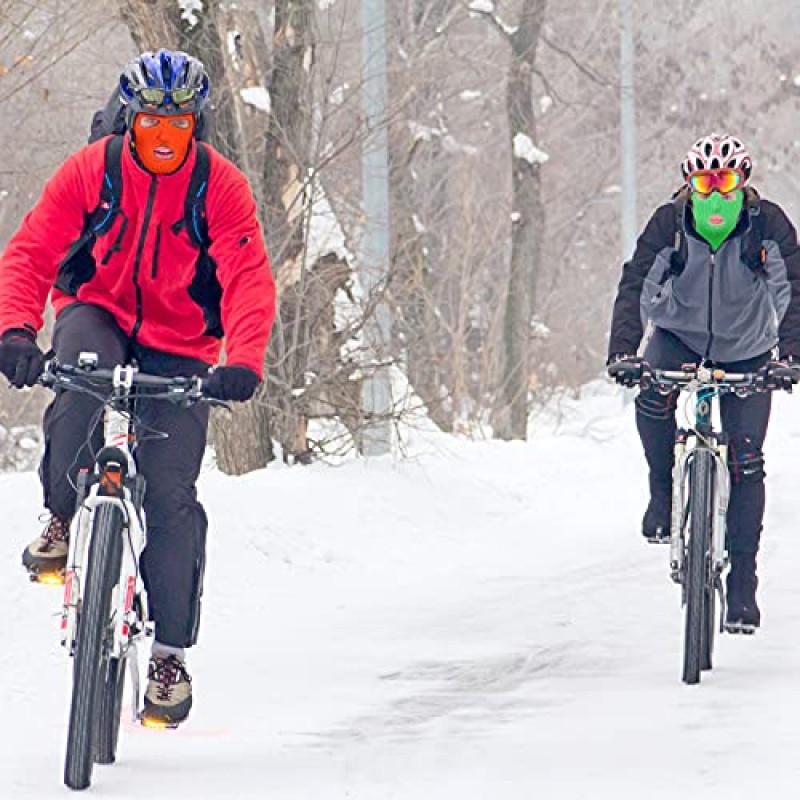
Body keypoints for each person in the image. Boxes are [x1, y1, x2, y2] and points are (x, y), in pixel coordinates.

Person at [0, 50, 276, 724]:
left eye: (176, 124)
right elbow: (33, 250)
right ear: (128, 119)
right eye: (150, 120)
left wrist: (242, 359)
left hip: (183, 345)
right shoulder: (92, 170)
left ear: (196, 126)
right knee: (77, 395)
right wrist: (14, 329)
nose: (161, 135)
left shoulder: (222, 187)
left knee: (173, 495)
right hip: (98, 311)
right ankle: (63, 515)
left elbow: (246, 277)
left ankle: (169, 656)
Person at [606, 132, 800, 633]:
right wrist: (624, 350)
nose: (715, 195)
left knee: (747, 459)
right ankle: (662, 491)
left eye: (725, 182)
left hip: (748, 348)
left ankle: (742, 584)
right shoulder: (670, 225)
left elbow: (793, 288)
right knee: (651, 395)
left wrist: (790, 356)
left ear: (743, 185)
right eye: (704, 184)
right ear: (688, 186)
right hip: (679, 337)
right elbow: (637, 284)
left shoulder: (766, 226)